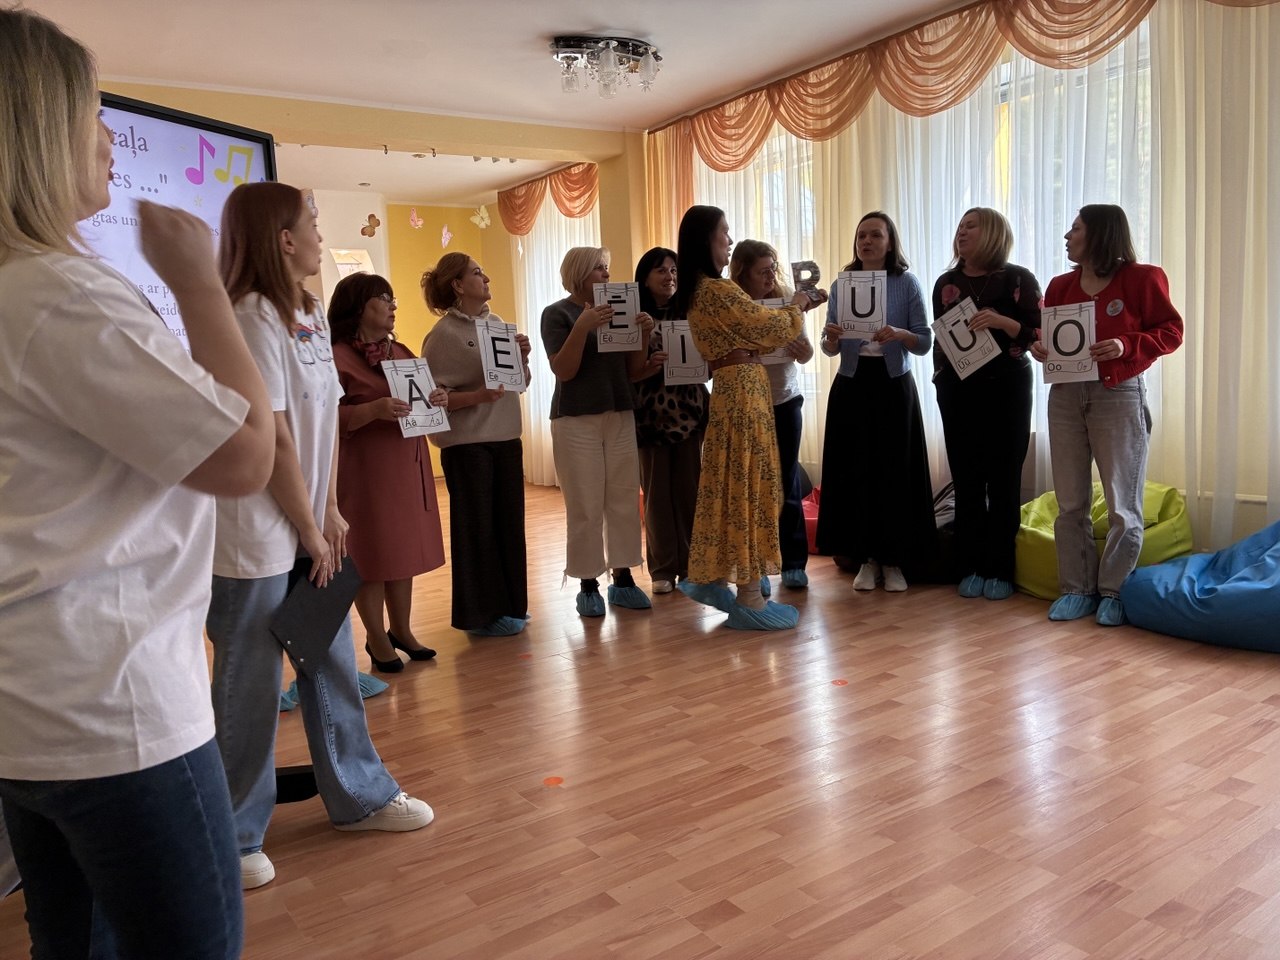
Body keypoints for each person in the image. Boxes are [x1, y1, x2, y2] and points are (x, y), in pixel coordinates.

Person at [0, 9, 275, 957]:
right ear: (37, 132)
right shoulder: (59, 292)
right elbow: (245, 457)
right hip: (115, 706)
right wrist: (198, 282)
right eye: (91, 115)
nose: (110, 138)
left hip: (31, 702)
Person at [206, 182, 433, 893]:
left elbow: (324, 422)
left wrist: (330, 510)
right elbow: (271, 433)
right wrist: (309, 525)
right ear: (283, 239)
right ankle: (234, 832)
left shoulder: (307, 313)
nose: (318, 234)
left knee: (332, 663)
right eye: (311, 223)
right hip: (254, 534)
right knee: (248, 682)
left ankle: (359, 797)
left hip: (311, 525)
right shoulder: (248, 317)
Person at [672, 206, 826, 629]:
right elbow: (768, 327)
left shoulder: (701, 290)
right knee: (750, 486)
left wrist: (790, 315)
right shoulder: (717, 289)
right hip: (743, 392)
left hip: (734, 389)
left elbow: (759, 331)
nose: (729, 240)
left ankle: (715, 576)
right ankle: (750, 598)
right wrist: (798, 304)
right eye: (723, 233)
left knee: (730, 483)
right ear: (705, 239)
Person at [1031, 204, 1183, 626]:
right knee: (1070, 502)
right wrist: (1039, 346)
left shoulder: (1143, 278)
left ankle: (1113, 590)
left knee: (1122, 503)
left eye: (1075, 228)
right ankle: (1076, 589)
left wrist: (1126, 345)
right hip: (1065, 396)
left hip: (1117, 394)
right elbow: (1049, 335)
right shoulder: (1060, 286)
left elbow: (1171, 331)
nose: (1067, 236)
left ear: (1100, 233)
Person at [328, 272, 446, 672]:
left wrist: (436, 397)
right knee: (372, 552)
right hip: (365, 471)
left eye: (393, 298)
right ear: (358, 306)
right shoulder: (336, 356)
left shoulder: (402, 351)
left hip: (405, 464)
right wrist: (372, 410)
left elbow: (422, 403)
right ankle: (376, 637)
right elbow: (324, 418)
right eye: (383, 298)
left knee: (401, 549)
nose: (393, 305)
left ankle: (402, 630)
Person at [816, 211, 937, 592]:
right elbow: (829, 346)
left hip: (893, 385)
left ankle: (894, 559)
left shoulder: (906, 282)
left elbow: (924, 341)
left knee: (894, 472)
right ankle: (867, 558)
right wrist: (831, 339)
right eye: (861, 236)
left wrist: (900, 334)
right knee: (857, 471)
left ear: (890, 242)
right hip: (852, 384)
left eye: (875, 235)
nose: (866, 242)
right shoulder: (843, 284)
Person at [932, 207, 1042, 600]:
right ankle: (971, 565)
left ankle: (1000, 569)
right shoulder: (946, 282)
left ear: (993, 233)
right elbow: (942, 339)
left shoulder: (1018, 279)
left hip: (1007, 388)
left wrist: (1002, 322)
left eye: (971, 226)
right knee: (967, 480)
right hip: (958, 390)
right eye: (960, 226)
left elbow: (1040, 335)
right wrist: (941, 381)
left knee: (1004, 479)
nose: (961, 232)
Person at [421, 253, 532, 636]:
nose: (486, 278)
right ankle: (480, 617)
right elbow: (434, 399)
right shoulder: (442, 336)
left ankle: (512, 607)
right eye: (477, 273)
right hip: (468, 446)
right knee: (477, 532)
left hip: (506, 438)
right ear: (457, 284)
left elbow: (518, 384)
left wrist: (523, 359)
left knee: (509, 527)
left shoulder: (497, 324)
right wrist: (478, 397)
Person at [541, 246, 654, 617]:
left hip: (619, 411)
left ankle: (623, 577)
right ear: (579, 273)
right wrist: (582, 326)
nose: (606, 274)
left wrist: (643, 333)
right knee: (585, 505)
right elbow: (563, 370)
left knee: (623, 498)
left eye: (607, 267)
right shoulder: (557, 313)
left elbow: (633, 371)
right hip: (575, 418)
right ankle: (587, 583)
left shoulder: (619, 308)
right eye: (598, 268)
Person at [729, 239, 814, 590]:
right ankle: (756, 566)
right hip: (747, 403)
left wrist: (802, 351)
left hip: (784, 400)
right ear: (742, 273)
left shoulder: (786, 300)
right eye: (762, 271)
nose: (769, 277)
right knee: (751, 484)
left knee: (787, 479)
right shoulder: (732, 305)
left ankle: (793, 562)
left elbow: (807, 353)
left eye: (772, 269)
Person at [630, 246, 708, 594]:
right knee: (657, 495)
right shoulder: (634, 317)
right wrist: (650, 363)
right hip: (650, 417)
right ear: (645, 278)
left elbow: (707, 367)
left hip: (689, 413)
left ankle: (691, 566)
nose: (669, 276)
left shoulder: (691, 313)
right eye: (661, 270)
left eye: (674, 270)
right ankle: (662, 569)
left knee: (689, 492)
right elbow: (629, 372)